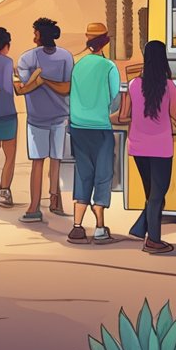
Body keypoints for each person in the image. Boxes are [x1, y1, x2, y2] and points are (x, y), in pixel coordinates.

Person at [118, 40, 176, 253]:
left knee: (151, 194)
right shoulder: (169, 87)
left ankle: (141, 229)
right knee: (158, 195)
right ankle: (153, 241)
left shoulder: (134, 85)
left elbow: (122, 116)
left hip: (137, 147)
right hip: (161, 148)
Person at [0, 27, 41, 208]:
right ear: (5, 45)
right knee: (10, 156)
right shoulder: (8, 62)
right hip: (8, 114)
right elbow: (16, 87)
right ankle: (4, 191)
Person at [68, 22, 121, 245]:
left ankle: (77, 227)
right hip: (100, 127)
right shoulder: (109, 67)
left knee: (82, 173)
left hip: (78, 127)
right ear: (106, 42)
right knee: (103, 174)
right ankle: (99, 227)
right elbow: (115, 97)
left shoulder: (78, 65)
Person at [17, 17, 74, 224]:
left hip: (37, 117)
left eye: (35, 33)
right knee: (55, 160)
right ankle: (54, 201)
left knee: (38, 162)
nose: (34, 36)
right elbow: (67, 86)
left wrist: (40, 80)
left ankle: (34, 207)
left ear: (39, 35)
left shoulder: (27, 58)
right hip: (60, 115)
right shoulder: (66, 56)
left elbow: (24, 87)